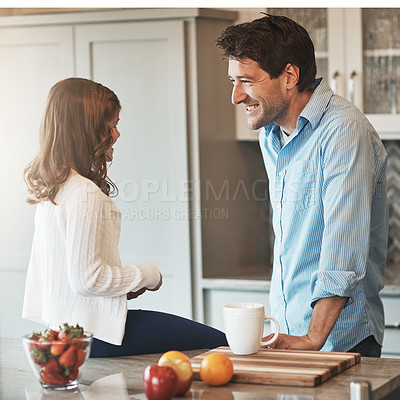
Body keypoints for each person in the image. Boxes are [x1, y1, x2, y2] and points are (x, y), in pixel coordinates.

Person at [217, 14, 388, 357]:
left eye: (247, 81)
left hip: (339, 340)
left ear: (290, 77)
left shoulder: (342, 131)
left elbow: (343, 247)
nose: (236, 97)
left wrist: (314, 337)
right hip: (289, 332)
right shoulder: (271, 133)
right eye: (233, 81)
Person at [22, 77, 227, 357]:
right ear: (87, 131)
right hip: (97, 336)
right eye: (112, 126)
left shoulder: (55, 190)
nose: (117, 135)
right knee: (225, 341)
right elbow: (87, 280)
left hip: (66, 335)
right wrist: (147, 274)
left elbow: (67, 279)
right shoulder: (84, 193)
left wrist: (121, 289)